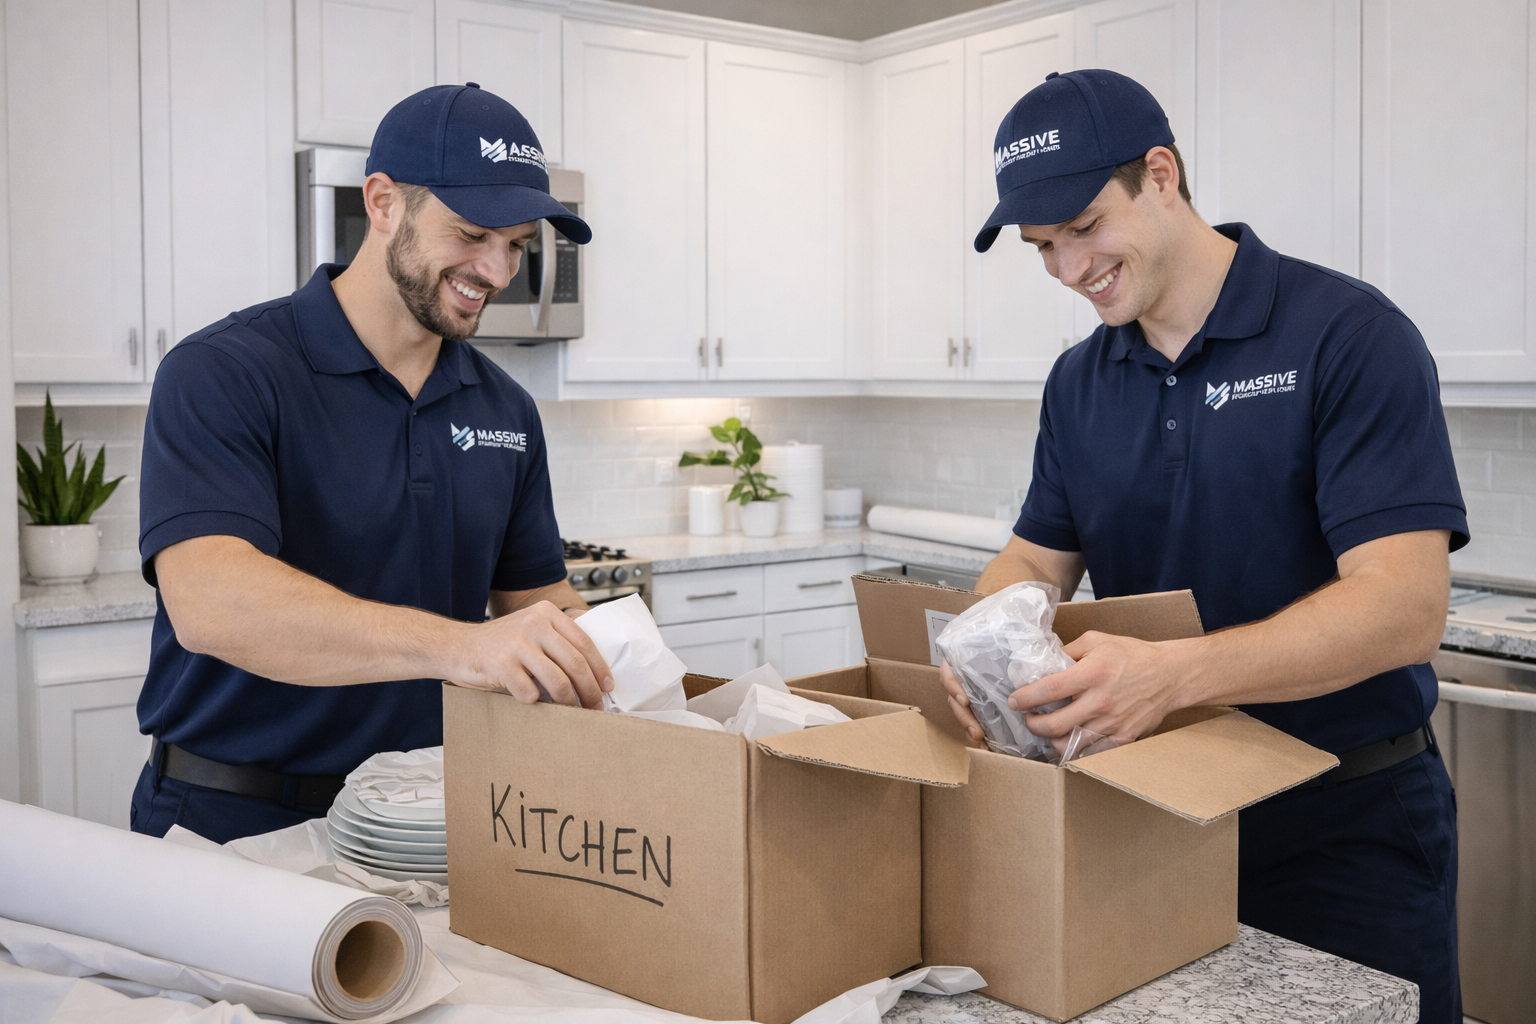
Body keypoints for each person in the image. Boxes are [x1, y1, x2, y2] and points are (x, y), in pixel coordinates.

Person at [946, 70, 1465, 1024]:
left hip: (1342, 827)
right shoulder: (1078, 383)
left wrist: (1173, 677)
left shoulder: (1349, 337)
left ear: (1161, 173)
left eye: (1086, 227)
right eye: (1042, 247)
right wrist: (981, 646)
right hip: (1153, 820)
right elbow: (1033, 562)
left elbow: (1405, 606)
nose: (1069, 270)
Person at [130, 84, 612, 844]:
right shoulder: (225, 372)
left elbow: (537, 606)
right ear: (384, 203)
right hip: (230, 820)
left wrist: (638, 681)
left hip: (430, 819)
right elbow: (211, 602)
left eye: (517, 244)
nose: (496, 269)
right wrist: (461, 645)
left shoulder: (506, 412)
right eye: (473, 232)